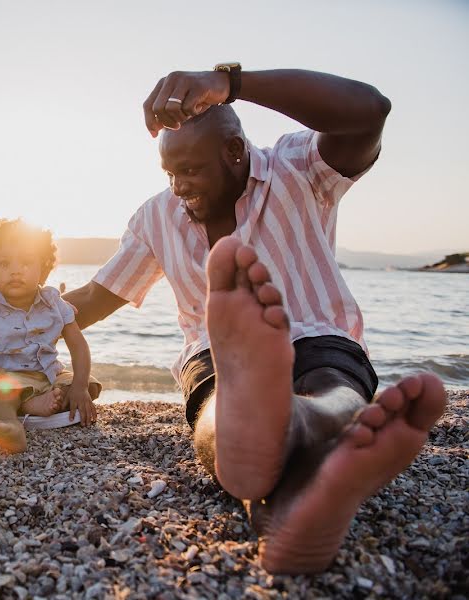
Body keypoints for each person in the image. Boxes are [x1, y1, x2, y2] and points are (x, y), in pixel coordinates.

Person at [64, 65, 447, 574]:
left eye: (191, 171)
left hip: (318, 332)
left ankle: (291, 446)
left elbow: (369, 111)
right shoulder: (156, 217)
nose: (178, 187)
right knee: (226, 397)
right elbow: (93, 298)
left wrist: (233, 83)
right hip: (217, 356)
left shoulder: (299, 169)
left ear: (235, 152)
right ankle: (300, 461)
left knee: (323, 381)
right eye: (170, 174)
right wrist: (3, 321)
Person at [0, 218, 101, 454]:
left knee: (89, 385)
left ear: (43, 270)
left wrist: (78, 385)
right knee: (2, 396)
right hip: (4, 378)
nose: (16, 270)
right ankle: (11, 427)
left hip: (48, 375)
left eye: (26, 262)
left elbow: (78, 344)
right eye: (4, 264)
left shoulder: (53, 303)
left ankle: (41, 403)